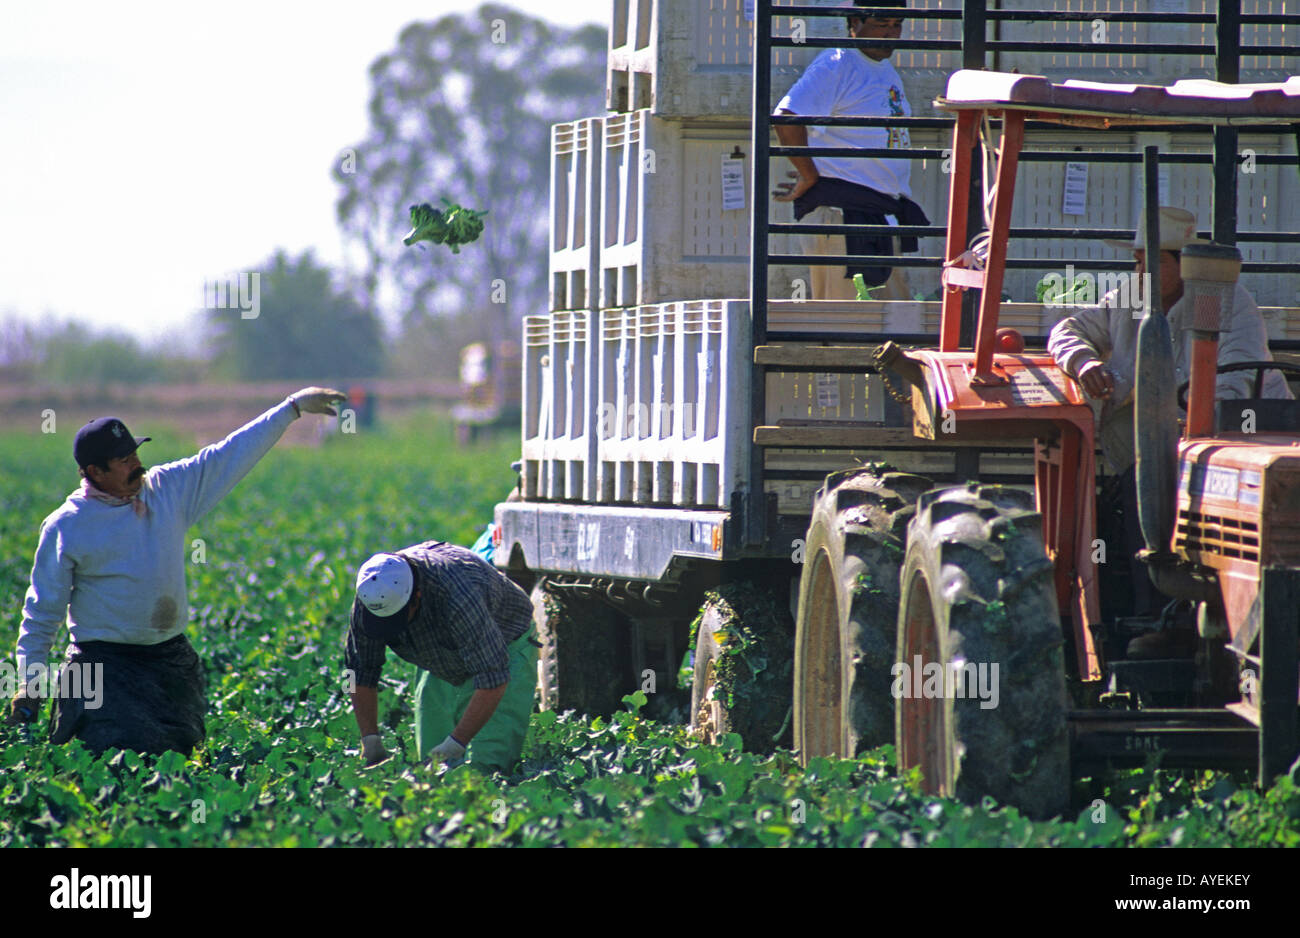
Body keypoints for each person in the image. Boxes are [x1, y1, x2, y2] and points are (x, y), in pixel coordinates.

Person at [8, 387, 348, 752]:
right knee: (108, 769)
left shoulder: (166, 490)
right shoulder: (67, 526)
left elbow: (228, 455)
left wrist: (291, 408)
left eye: (134, 452)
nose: (135, 463)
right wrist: (30, 683)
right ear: (95, 471)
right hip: (102, 669)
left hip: (169, 662)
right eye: (123, 460)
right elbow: (42, 612)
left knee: (179, 764)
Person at [1048, 205, 1292, 649]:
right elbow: (1068, 330)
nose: (1140, 270)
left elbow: (1235, 382)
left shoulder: (1228, 302)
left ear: (1185, 265)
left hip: (1230, 435)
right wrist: (1082, 361)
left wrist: (1185, 423)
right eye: (1137, 260)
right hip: (1154, 445)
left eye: (1152, 261)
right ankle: (1149, 614)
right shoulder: (1128, 296)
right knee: (1141, 491)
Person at [773, 0, 928, 300]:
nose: (891, 34)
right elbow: (787, 117)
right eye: (881, 24)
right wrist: (808, 174)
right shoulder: (838, 62)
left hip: (876, 217)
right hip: (845, 219)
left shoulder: (883, 69)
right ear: (854, 23)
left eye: (897, 25)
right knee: (848, 326)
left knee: (890, 326)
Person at [346, 542, 538, 773]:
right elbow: (354, 673)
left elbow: (493, 677)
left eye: (396, 618)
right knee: (431, 765)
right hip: (437, 661)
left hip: (505, 649)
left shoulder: (457, 595)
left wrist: (456, 743)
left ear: (416, 597)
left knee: (488, 766)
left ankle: (494, 806)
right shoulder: (371, 597)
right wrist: (369, 739)